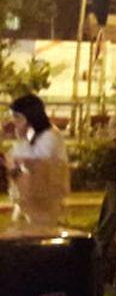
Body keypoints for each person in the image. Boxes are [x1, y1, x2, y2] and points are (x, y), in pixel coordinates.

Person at [3, 94, 69, 227]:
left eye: (18, 117)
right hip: (29, 203)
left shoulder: (49, 137)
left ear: (30, 116)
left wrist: (14, 165)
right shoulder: (34, 135)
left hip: (43, 205)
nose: (14, 121)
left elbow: (35, 166)